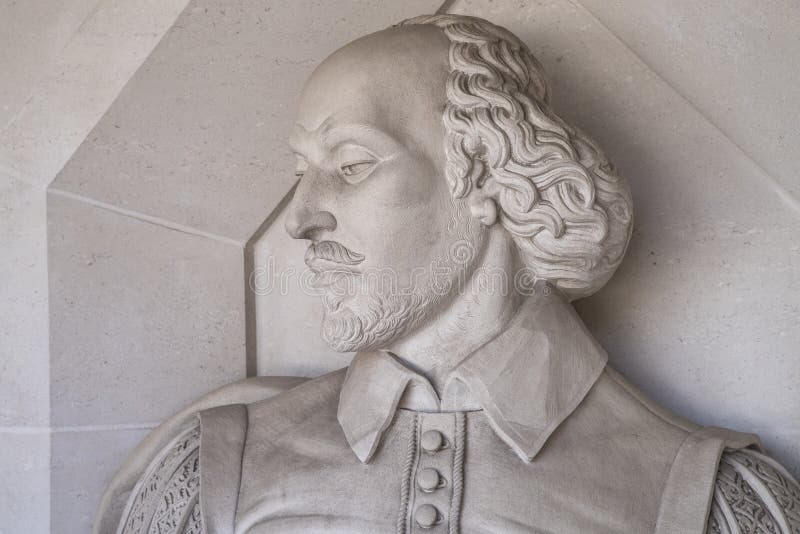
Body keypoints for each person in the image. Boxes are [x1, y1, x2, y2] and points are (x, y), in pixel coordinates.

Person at [96, 14, 800, 534]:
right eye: (300, 174)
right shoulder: (212, 469)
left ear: (488, 173)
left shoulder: (708, 498)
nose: (302, 218)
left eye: (350, 165)